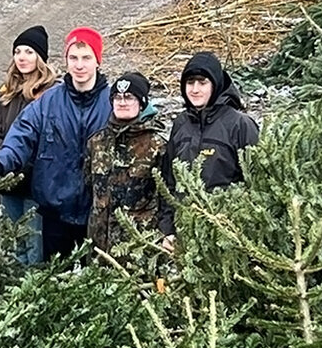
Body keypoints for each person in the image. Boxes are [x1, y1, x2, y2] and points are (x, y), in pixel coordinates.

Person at [0, 26, 110, 259]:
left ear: (97, 61)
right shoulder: (49, 101)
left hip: (96, 211)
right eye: (73, 58)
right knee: (53, 273)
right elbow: (21, 134)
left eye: (86, 58)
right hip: (55, 210)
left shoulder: (112, 103)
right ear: (66, 61)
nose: (79, 65)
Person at [158, 51, 260, 252]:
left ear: (215, 84)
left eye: (202, 82)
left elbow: (257, 183)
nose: (195, 89)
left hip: (228, 236)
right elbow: (169, 181)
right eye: (190, 83)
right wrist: (167, 229)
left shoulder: (240, 125)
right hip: (185, 233)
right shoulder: (181, 124)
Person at [0, 25, 58, 265]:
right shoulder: (7, 91)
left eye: (29, 52)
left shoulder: (51, 94)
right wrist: (3, 160)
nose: (22, 57)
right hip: (8, 183)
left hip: (35, 184)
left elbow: (50, 139)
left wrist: (25, 166)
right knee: (13, 244)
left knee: (33, 246)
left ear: (40, 57)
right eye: (18, 51)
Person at [85, 71, 167, 251]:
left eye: (129, 97)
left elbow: (167, 199)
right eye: (117, 97)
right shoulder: (97, 142)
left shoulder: (157, 145)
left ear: (142, 102)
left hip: (138, 246)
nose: (122, 102)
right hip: (99, 244)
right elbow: (88, 186)